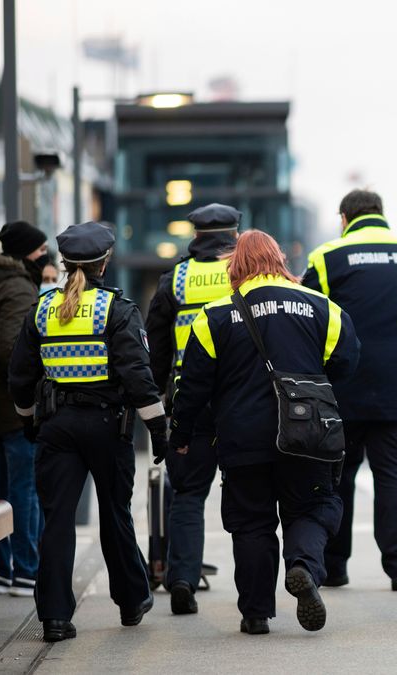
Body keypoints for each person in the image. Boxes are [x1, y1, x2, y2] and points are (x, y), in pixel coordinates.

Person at [170, 230, 359, 635]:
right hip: (306, 434)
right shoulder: (321, 306)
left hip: (242, 438)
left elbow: (193, 385)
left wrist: (182, 433)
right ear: (280, 260)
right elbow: (347, 361)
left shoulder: (214, 315)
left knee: (251, 523)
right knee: (312, 508)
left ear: (236, 266)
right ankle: (303, 566)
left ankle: (256, 613)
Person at [9, 221, 167, 643]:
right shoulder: (117, 310)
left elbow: (20, 377)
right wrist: (158, 428)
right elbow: (138, 376)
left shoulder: (41, 309)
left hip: (56, 428)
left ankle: (56, 617)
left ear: (64, 263)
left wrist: (28, 420)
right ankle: (132, 600)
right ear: (105, 261)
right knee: (115, 514)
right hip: (107, 426)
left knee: (56, 521)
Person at [301, 189, 397, 592]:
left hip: (343, 389)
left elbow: (308, 315)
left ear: (344, 218)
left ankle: (335, 567)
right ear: (381, 214)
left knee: (338, 478)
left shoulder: (328, 256)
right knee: (394, 476)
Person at [144, 203, 238, 614]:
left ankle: (182, 578)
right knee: (251, 496)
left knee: (188, 495)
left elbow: (157, 351)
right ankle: (257, 589)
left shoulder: (175, 280)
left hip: (189, 399)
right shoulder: (245, 274)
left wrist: (160, 402)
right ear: (234, 234)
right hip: (241, 400)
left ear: (196, 235)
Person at [0, 220, 49, 597]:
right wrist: (30, 393)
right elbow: (12, 349)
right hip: (12, 402)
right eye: (41, 250)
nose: (45, 256)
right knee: (25, 487)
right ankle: (26, 571)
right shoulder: (18, 287)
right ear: (26, 253)